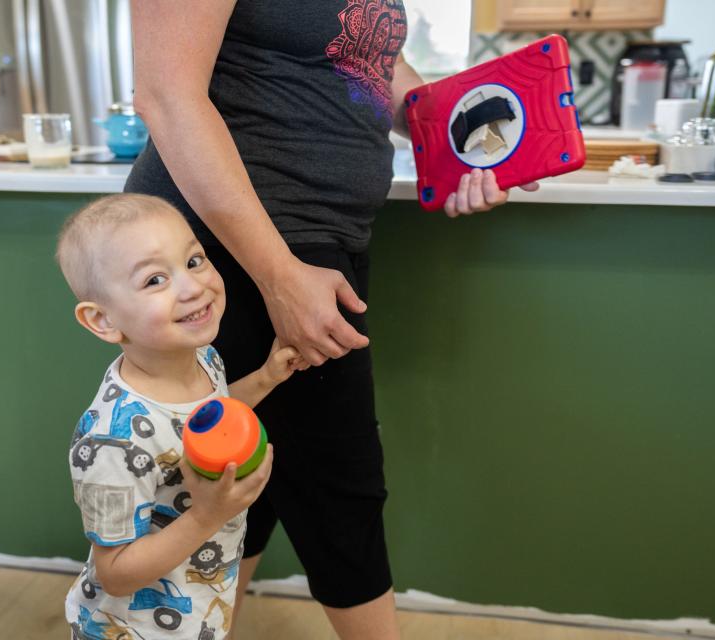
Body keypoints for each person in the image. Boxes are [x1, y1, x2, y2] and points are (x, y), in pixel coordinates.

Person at [125, 3, 538, 637]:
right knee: (338, 488)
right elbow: (166, 94)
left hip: (316, 241)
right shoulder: (270, 263)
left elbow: (368, 59)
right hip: (234, 248)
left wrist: (463, 138)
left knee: (243, 476)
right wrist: (280, 275)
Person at [57, 193, 304, 639]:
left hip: (198, 614)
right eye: (154, 280)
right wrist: (206, 517)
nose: (193, 287)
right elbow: (114, 572)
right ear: (103, 320)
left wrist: (266, 378)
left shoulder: (203, 357)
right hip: (132, 630)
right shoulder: (111, 442)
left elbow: (211, 417)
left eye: (194, 260)